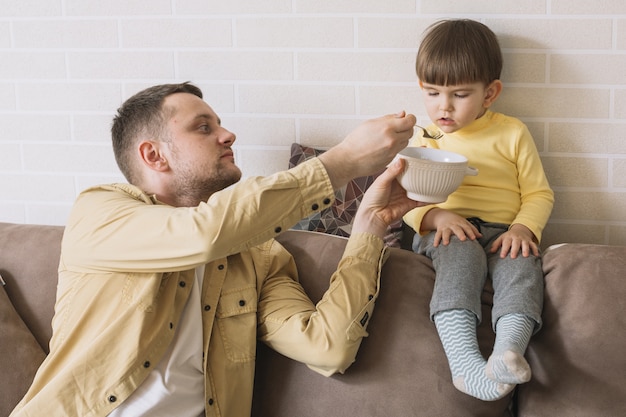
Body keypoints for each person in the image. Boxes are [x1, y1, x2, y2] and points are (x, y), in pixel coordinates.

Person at [10, 82, 424, 417]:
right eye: (203, 127)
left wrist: (371, 224)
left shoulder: (259, 255)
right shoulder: (100, 213)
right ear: (153, 155)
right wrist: (343, 161)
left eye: (219, 125)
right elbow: (201, 233)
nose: (228, 135)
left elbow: (327, 346)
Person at [403, 19, 554, 401]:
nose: (444, 106)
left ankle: (508, 352)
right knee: (463, 258)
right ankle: (465, 364)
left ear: (490, 94)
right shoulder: (424, 140)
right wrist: (437, 217)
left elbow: (539, 194)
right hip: (445, 232)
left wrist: (522, 230)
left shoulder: (512, 132)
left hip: (504, 230)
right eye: (433, 92)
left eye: (459, 94)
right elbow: (406, 201)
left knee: (522, 268)